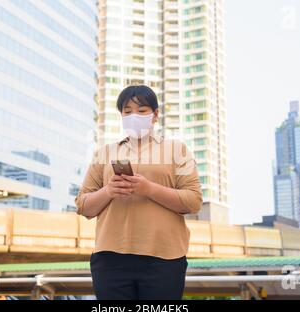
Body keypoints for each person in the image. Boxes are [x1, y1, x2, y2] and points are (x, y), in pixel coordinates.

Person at [74, 85, 203, 300]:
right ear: (121, 116)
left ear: (155, 115)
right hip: (110, 258)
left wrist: (149, 189)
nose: (134, 116)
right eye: (127, 111)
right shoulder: (103, 153)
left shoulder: (177, 150)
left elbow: (193, 201)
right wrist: (108, 191)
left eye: (142, 111)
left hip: (164, 258)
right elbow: (83, 206)